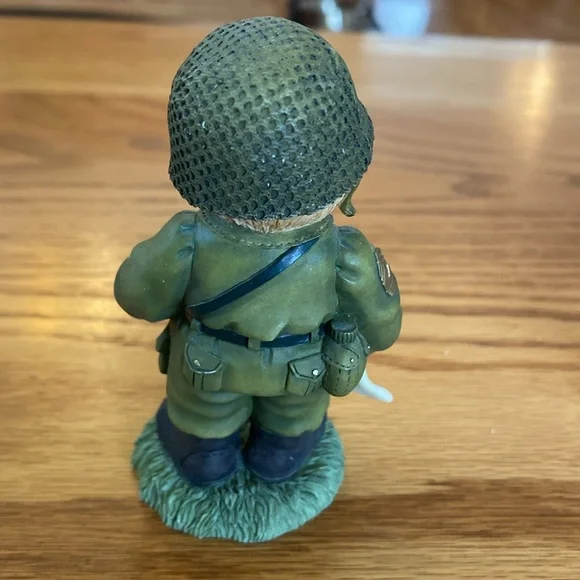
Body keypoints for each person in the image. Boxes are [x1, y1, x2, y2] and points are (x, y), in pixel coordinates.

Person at [114, 16, 402, 487]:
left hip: (208, 363)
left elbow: (137, 296)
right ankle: (281, 450)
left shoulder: (187, 240)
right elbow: (383, 325)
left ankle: (207, 453)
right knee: (291, 431)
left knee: (201, 428)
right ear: (343, 175)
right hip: (300, 370)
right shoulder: (345, 255)